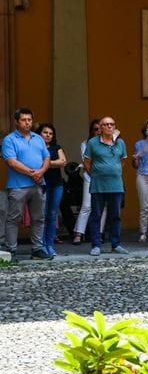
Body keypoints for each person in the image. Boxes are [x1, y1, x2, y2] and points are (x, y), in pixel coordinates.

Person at [2, 108, 51, 260]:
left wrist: (41, 171)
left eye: (29, 119)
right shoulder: (9, 140)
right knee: (14, 218)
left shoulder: (38, 138)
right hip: (18, 185)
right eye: (24, 120)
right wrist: (33, 173)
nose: (27, 122)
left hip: (38, 183)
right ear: (16, 122)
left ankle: (37, 248)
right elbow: (12, 162)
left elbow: (47, 158)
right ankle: (11, 249)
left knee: (39, 218)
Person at [84, 116, 129, 256]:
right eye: (106, 124)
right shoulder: (92, 143)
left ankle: (115, 244)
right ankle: (96, 245)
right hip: (98, 185)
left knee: (115, 216)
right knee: (96, 215)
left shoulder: (120, 143)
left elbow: (123, 161)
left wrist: (113, 171)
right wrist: (97, 174)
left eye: (112, 124)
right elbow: (86, 162)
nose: (110, 126)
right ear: (101, 128)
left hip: (116, 185)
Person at [39, 123, 67, 257]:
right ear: (39, 133)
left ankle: (49, 245)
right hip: (41, 185)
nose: (48, 135)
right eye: (45, 132)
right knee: (41, 216)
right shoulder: (36, 146)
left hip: (56, 185)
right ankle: (41, 245)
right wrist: (53, 163)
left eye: (50, 133)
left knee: (52, 215)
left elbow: (63, 162)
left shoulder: (57, 147)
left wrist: (46, 163)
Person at [72, 119, 101, 245]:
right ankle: (78, 233)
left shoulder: (110, 143)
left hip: (105, 179)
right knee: (87, 206)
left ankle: (98, 233)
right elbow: (87, 163)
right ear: (91, 130)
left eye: (100, 128)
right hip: (90, 177)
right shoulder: (85, 144)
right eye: (95, 129)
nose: (98, 131)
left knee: (102, 207)